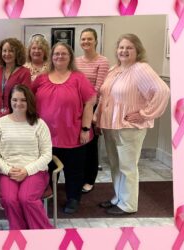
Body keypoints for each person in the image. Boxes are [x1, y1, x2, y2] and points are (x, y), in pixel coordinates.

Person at [95, 34, 170, 215]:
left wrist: (144, 114)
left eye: (129, 48)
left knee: (127, 166)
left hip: (128, 127)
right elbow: (104, 97)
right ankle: (118, 198)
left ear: (138, 51)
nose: (124, 51)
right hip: (111, 125)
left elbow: (162, 91)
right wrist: (98, 119)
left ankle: (128, 205)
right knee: (115, 164)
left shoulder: (140, 69)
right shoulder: (115, 69)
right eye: (121, 47)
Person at [33, 42, 96, 214]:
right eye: (56, 54)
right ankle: (47, 194)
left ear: (70, 57)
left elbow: (89, 103)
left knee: (74, 170)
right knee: (46, 170)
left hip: (73, 134)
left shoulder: (78, 78)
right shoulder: (41, 78)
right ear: (51, 57)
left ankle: (73, 198)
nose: (60, 56)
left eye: (64, 54)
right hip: (46, 135)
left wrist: (85, 129)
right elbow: (28, 99)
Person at [0, 84, 53, 230]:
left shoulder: (39, 124)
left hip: (35, 171)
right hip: (8, 171)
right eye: (14, 100)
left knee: (27, 198)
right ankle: (20, 235)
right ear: (10, 101)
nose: (18, 103)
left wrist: (27, 170)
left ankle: (45, 234)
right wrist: (7, 169)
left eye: (23, 100)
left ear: (29, 101)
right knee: (10, 199)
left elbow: (47, 154)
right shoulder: (0, 123)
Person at [74, 28, 110, 194]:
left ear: (96, 41)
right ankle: (78, 177)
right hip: (76, 106)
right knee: (78, 144)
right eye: (83, 39)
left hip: (93, 105)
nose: (86, 42)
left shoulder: (102, 61)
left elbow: (99, 88)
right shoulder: (76, 61)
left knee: (90, 145)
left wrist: (91, 109)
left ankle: (89, 179)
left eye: (89, 39)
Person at [0, 38, 31, 121]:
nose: (7, 54)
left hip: (16, 116)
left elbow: (24, 98)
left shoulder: (24, 72)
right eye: (4, 51)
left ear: (17, 53)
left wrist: (7, 115)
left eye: (11, 51)